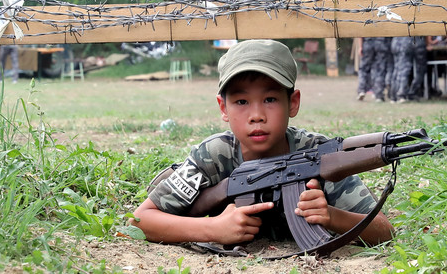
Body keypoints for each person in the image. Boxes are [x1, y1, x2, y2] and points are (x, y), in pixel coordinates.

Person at [131, 39, 394, 247]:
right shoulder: (214, 155)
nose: (256, 115)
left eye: (270, 99)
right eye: (241, 102)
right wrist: (213, 229)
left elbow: (385, 230)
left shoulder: (319, 156)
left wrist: (332, 216)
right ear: (223, 108)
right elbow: (139, 221)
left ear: (293, 103)